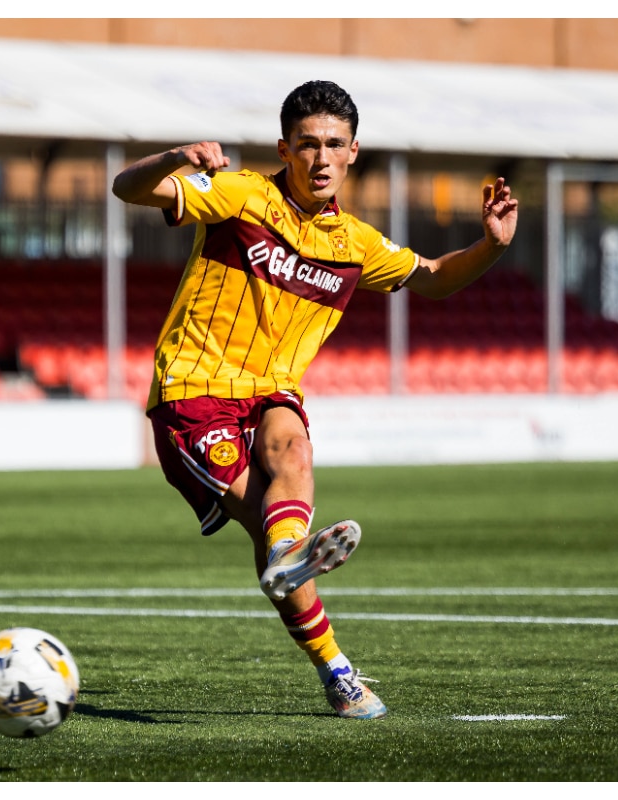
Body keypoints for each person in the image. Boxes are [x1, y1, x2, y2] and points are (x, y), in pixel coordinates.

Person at [111, 80, 518, 719]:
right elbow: (127, 189)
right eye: (307, 145)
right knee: (271, 533)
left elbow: (434, 279)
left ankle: (301, 593)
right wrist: (171, 160)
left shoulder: (355, 244)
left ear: (354, 151)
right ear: (285, 148)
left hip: (272, 393)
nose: (321, 158)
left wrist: (490, 245)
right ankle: (334, 664)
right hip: (194, 392)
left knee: (292, 457)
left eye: (334, 144)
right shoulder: (242, 195)